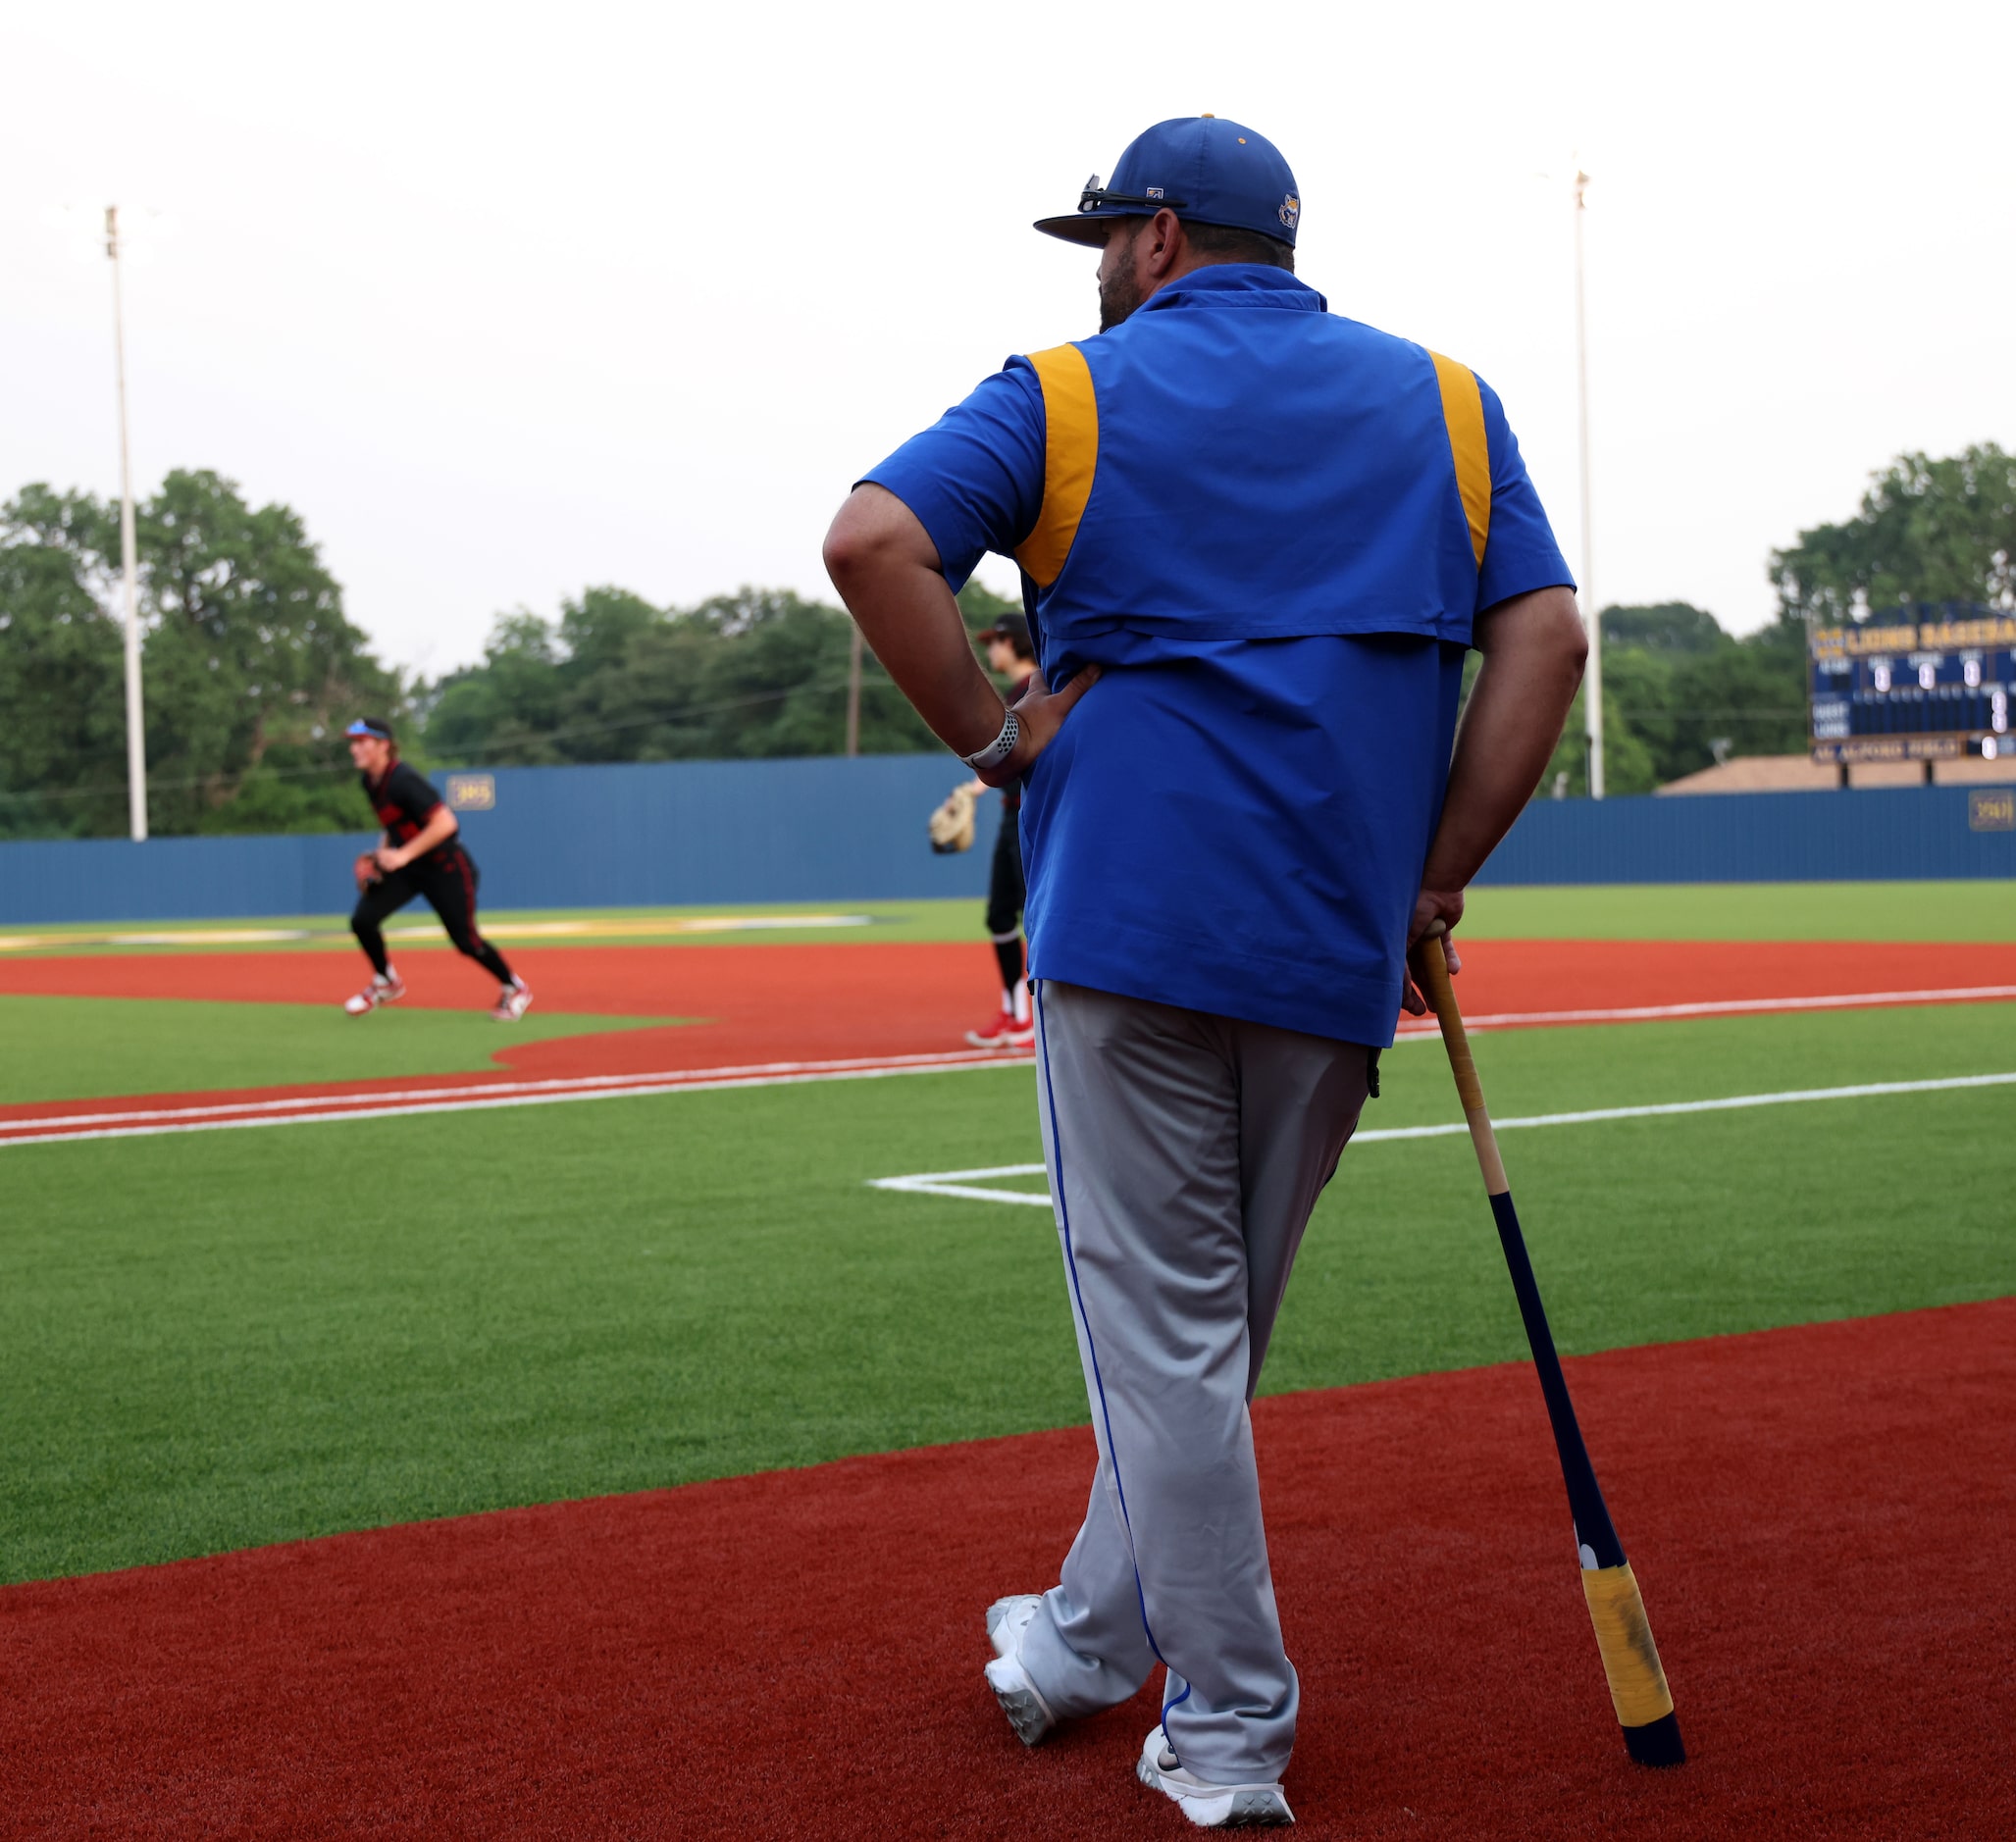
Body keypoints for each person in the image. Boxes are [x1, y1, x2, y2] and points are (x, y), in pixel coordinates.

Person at [824, 116, 1585, 1828]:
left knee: (1170, 1342)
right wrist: (1441, 869)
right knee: (1208, 1339)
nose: (1096, 266)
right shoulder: (1452, 401)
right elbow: (1547, 630)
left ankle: (1231, 1725)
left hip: (1136, 929)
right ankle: (1085, 1640)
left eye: (1106, 234)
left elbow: (873, 543)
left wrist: (991, 734)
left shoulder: (1066, 391)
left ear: (1161, 236)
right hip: (1334, 934)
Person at [340, 717, 533, 1021]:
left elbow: (446, 823)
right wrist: (383, 855)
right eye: (352, 742)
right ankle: (386, 981)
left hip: (446, 869)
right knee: (363, 920)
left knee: (466, 941)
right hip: (410, 868)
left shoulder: (403, 780)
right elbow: (393, 823)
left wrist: (401, 856)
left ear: (383, 745)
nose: (354, 749)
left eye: (361, 742)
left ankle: (515, 987)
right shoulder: (369, 781)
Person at [966, 613, 1039, 1049]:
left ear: (1013, 643)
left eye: (995, 642)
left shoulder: (1033, 689)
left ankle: (1037, 1015)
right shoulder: (1015, 692)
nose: (991, 650)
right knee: (999, 914)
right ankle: (1014, 1012)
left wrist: (974, 786)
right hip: (1009, 812)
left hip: (1029, 816)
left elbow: (1020, 754)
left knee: (1034, 915)